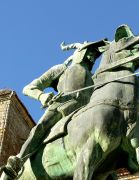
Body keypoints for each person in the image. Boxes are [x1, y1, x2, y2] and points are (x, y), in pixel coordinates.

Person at [2, 39, 107, 179]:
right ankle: (18, 161)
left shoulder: (94, 79)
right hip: (62, 107)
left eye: (94, 54)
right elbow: (29, 88)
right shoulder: (62, 69)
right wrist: (41, 96)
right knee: (41, 128)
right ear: (80, 53)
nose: (92, 57)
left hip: (85, 114)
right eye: (90, 52)